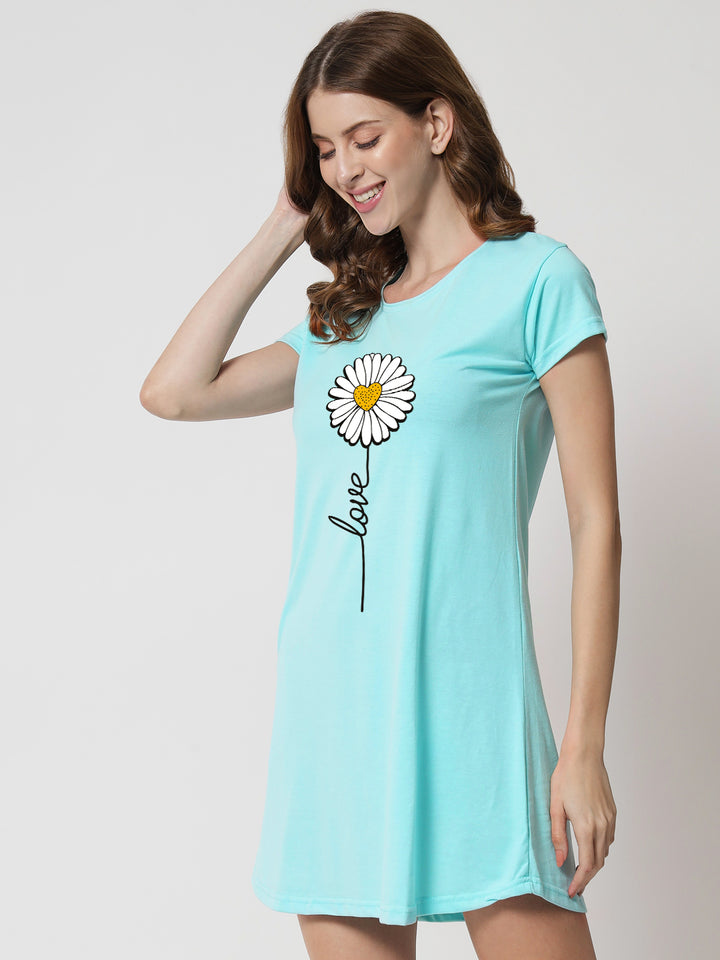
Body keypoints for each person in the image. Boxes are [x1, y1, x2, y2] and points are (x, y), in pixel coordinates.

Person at [140, 10, 620, 960]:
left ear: (436, 124)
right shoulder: (341, 323)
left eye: (365, 138)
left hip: (475, 717)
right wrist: (285, 222)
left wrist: (583, 748)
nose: (345, 168)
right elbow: (174, 392)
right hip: (335, 721)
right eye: (325, 149)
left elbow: (595, 521)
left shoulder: (537, 282)